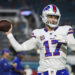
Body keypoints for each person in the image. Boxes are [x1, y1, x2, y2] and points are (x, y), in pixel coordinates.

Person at [5, 4, 75, 75]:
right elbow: (19, 48)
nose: (53, 20)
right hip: (44, 72)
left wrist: (68, 41)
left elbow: (74, 48)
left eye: (56, 17)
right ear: (44, 16)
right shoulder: (38, 33)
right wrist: (9, 34)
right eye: (50, 16)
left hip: (61, 72)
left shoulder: (65, 30)